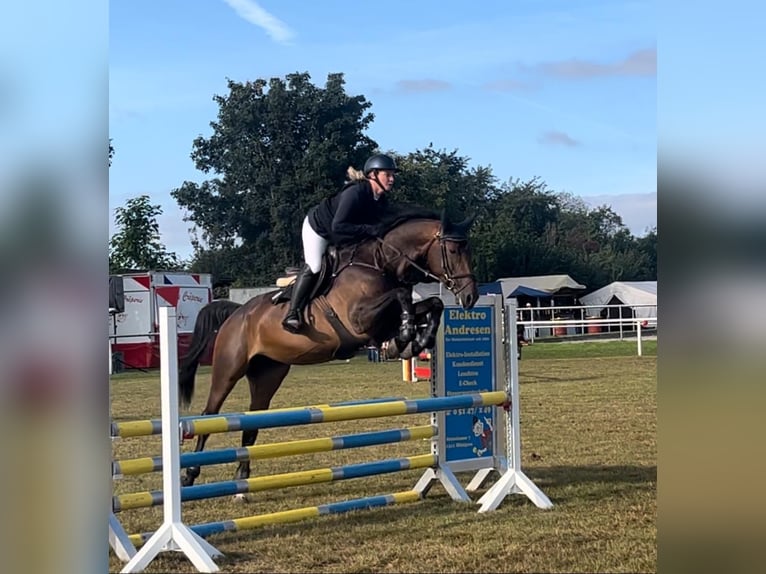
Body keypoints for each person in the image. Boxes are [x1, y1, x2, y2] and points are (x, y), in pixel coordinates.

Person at [282, 153, 399, 333]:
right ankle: (292, 313)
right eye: (387, 174)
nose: (392, 179)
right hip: (319, 229)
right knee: (314, 266)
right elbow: (339, 225)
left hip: (343, 235)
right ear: (373, 174)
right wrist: (371, 230)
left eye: (393, 175)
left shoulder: (380, 200)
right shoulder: (356, 192)